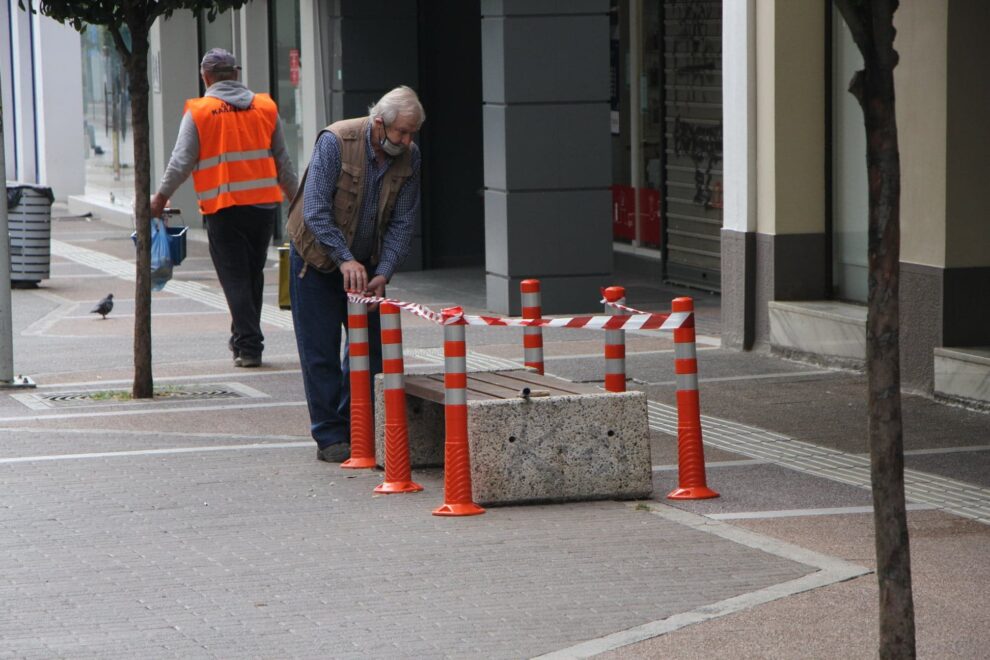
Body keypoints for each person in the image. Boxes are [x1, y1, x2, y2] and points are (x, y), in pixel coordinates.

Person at [287, 85, 423, 463]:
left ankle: (359, 427)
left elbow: (403, 222)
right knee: (320, 352)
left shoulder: (409, 157)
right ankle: (330, 436)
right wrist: (344, 258)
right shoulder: (336, 140)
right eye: (401, 133)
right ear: (379, 124)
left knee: (370, 352)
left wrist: (384, 272)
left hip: (366, 268)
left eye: (412, 134)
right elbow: (314, 209)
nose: (407, 140)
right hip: (315, 261)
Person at [151, 48, 298, 368]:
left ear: (205, 78)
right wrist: (298, 201)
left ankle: (249, 345)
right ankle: (242, 339)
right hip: (262, 208)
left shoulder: (200, 112)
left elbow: (180, 162)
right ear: (236, 73)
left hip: (224, 207)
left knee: (235, 279)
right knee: (251, 275)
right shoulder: (265, 106)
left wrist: (160, 198)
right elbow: (283, 162)